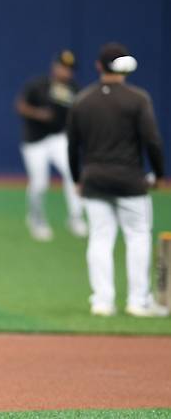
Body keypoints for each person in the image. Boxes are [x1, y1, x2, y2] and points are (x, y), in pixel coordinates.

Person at [67, 42, 167, 317]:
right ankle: (138, 301)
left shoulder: (83, 99)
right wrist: (159, 174)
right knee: (137, 236)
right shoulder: (137, 99)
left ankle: (102, 301)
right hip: (130, 180)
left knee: (100, 238)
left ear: (99, 66)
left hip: (94, 179)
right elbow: (152, 141)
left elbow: (72, 144)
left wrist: (77, 178)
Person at [16, 50, 87, 241]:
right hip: (35, 140)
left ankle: (75, 218)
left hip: (58, 138)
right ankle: (36, 219)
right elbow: (20, 105)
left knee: (73, 173)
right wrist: (39, 114)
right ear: (54, 67)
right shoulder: (39, 85)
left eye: (69, 68)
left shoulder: (74, 89)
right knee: (39, 183)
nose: (66, 71)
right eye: (63, 67)